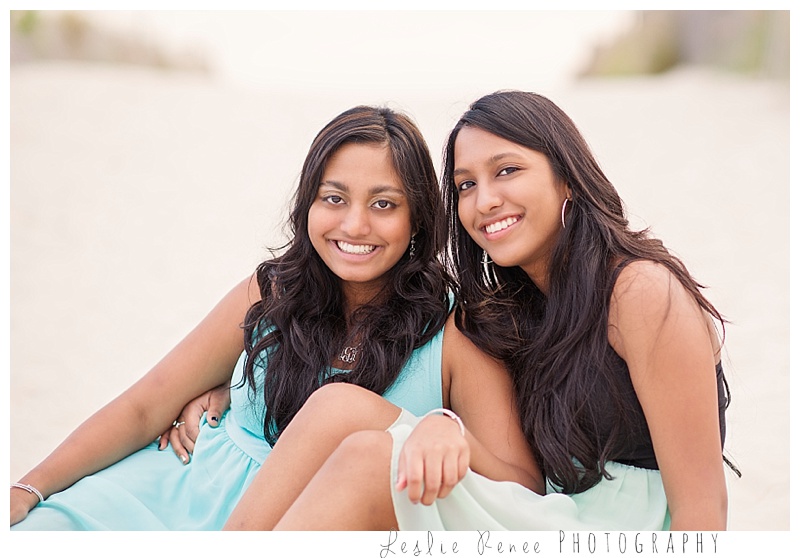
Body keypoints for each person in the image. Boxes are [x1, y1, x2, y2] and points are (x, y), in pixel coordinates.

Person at [207, 90, 734, 531]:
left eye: (507, 171)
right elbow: (506, 455)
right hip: (542, 514)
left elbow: (703, 508)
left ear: (567, 177)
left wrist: (441, 428)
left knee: (356, 435)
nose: (484, 201)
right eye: (466, 185)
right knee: (340, 416)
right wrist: (226, 393)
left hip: (607, 531)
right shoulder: (513, 305)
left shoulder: (640, 292)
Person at [10, 105, 538, 530]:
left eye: (383, 204)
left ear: (420, 216)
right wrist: (28, 488)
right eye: (334, 198)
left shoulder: (455, 328)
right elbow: (146, 407)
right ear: (307, 204)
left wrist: (445, 430)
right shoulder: (269, 293)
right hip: (165, 497)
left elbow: (522, 487)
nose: (355, 225)